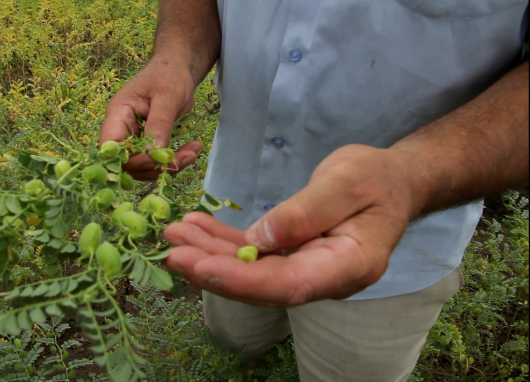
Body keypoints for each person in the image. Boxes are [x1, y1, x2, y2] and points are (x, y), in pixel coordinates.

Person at [100, 1, 530, 380]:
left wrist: (411, 177)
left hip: (394, 255)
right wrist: (174, 57)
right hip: (231, 212)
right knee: (231, 354)